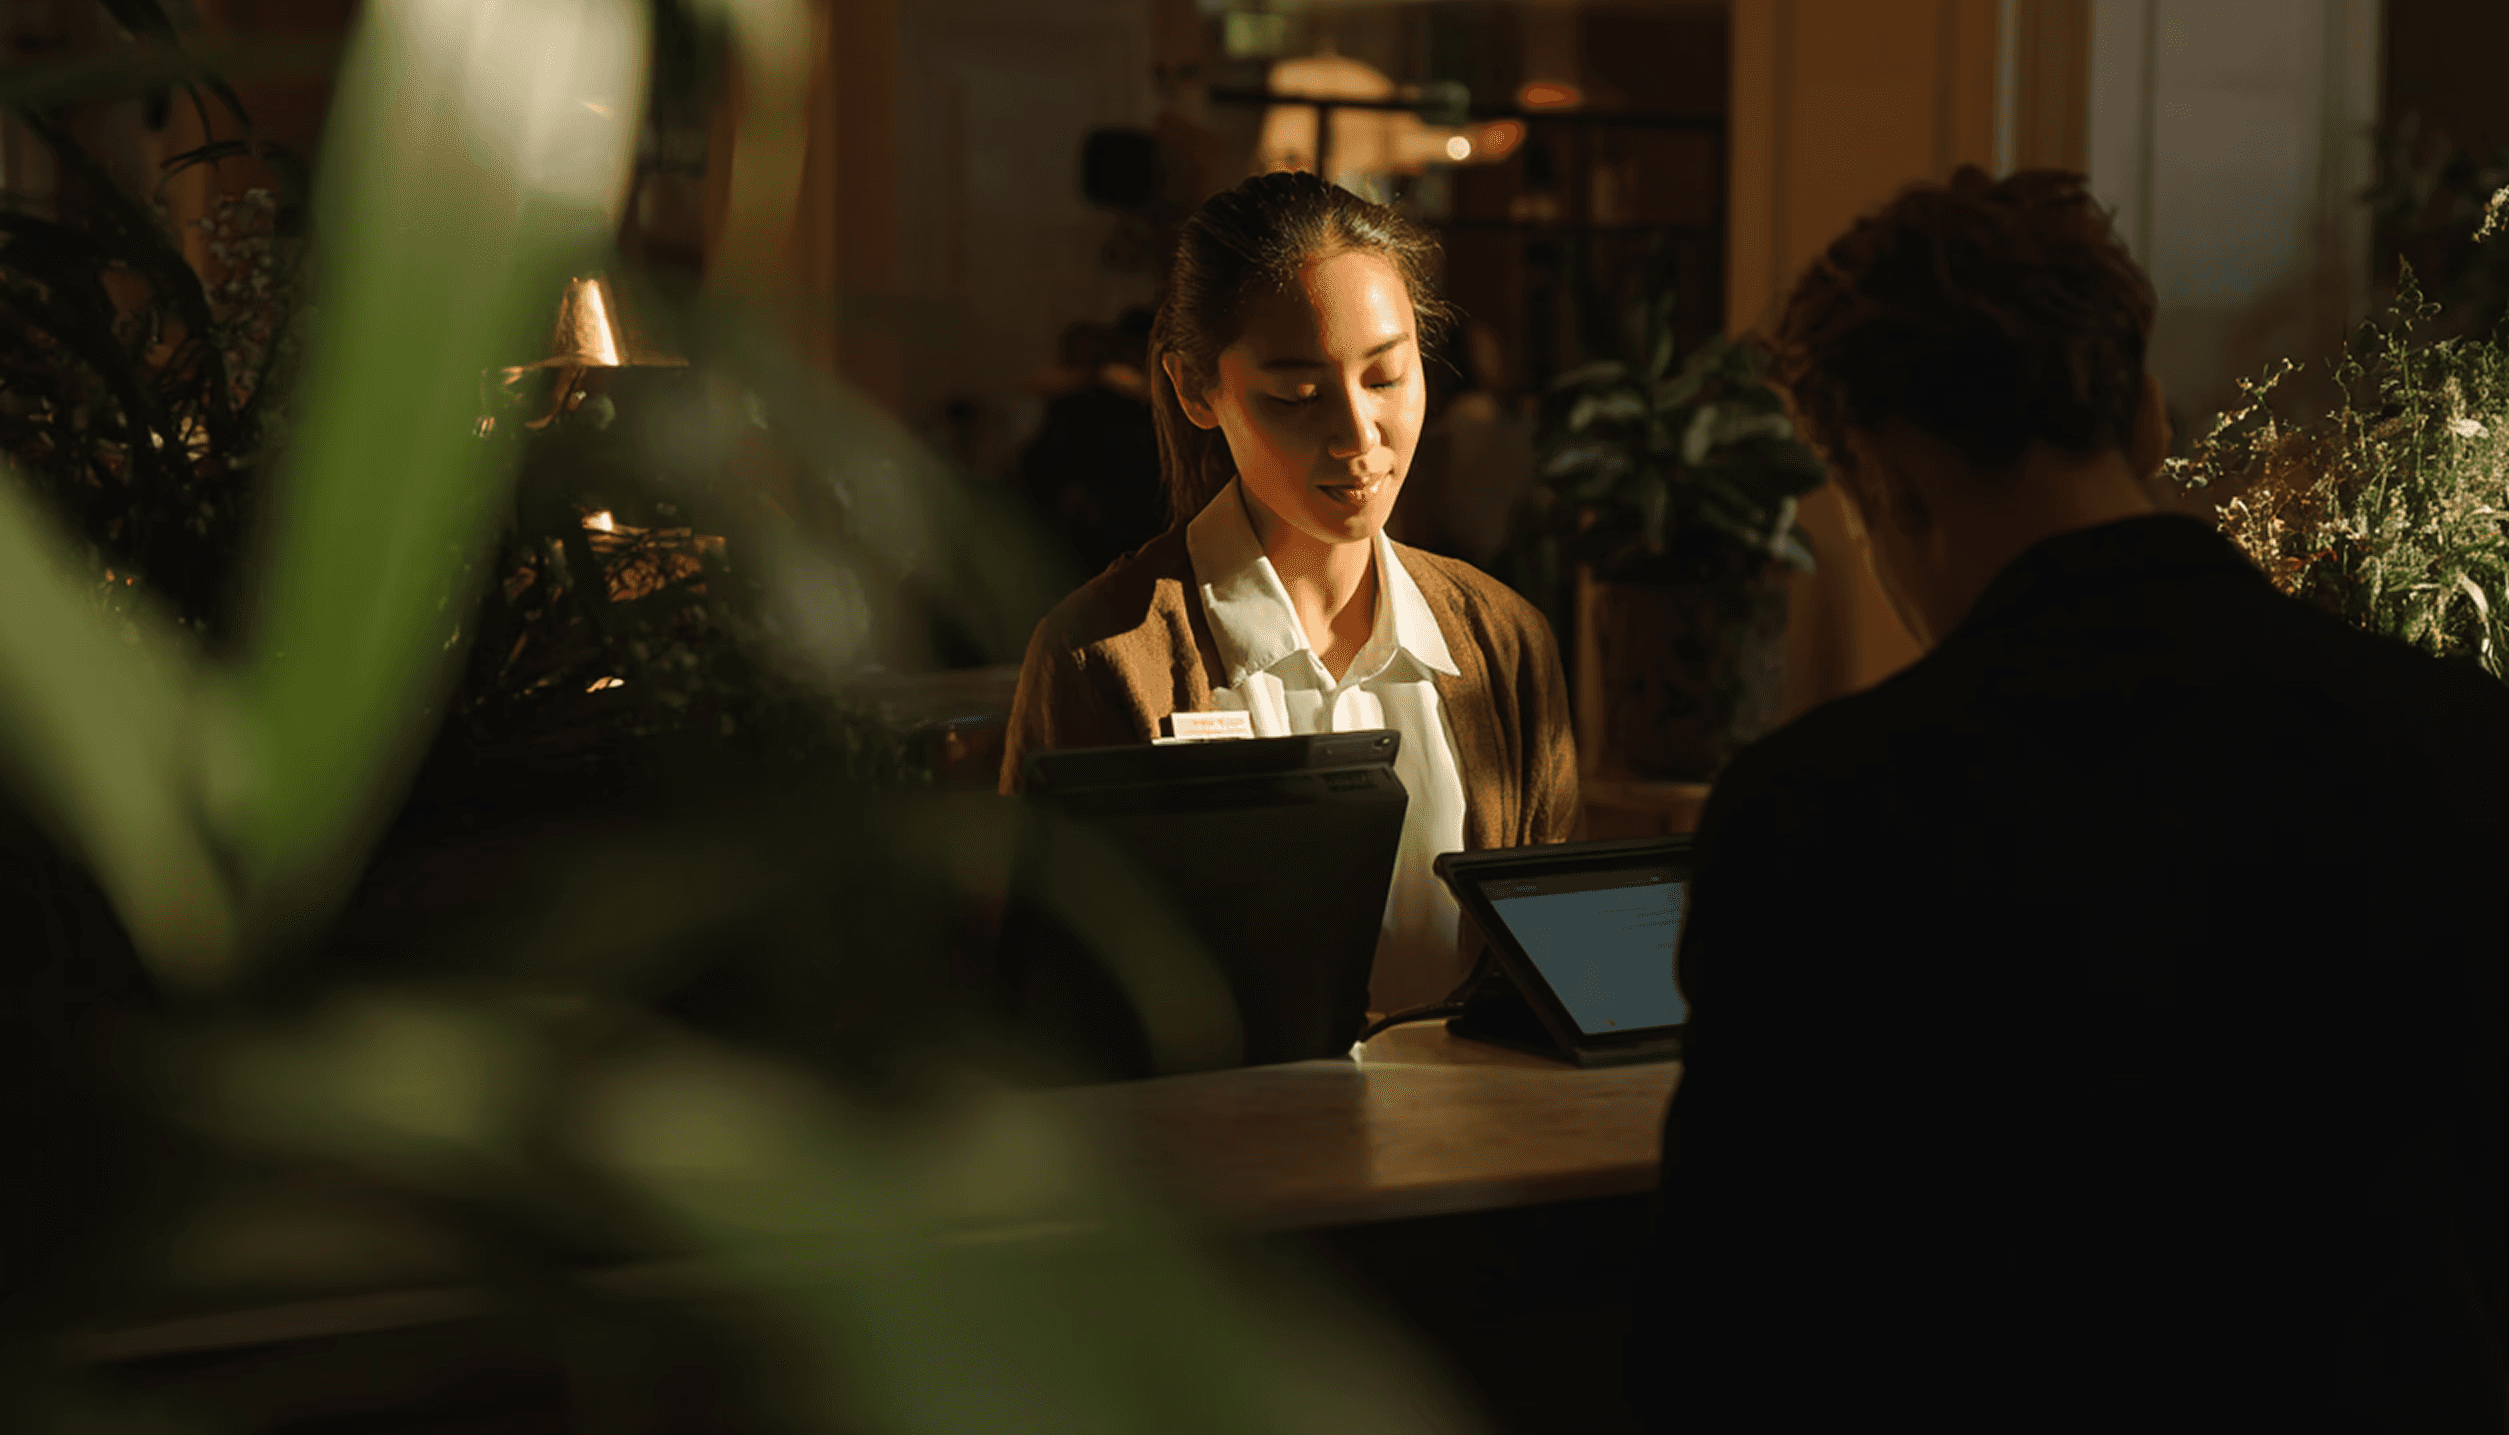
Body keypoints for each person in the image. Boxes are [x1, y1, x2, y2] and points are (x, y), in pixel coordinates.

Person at [1631, 167, 2509, 1432]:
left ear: (1886, 478)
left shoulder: (1821, 814)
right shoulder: (2462, 738)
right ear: (2147, 415)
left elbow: (1725, 1336)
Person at [1000, 170, 1581, 1013]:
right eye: (1297, 395)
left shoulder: (1503, 644)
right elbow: (1055, 1004)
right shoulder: (1106, 654)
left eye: (1386, 378)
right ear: (1199, 390)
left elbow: (1554, 986)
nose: (1357, 435)